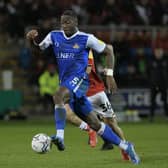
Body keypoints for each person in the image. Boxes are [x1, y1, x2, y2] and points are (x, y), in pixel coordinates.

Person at [26, 10, 140, 164]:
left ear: (76, 22)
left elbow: (109, 50)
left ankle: (60, 136)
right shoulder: (54, 36)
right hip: (68, 84)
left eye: (68, 22)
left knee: (58, 96)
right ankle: (126, 146)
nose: (64, 25)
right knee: (96, 124)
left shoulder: (86, 39)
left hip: (81, 81)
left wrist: (110, 74)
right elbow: (38, 52)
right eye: (62, 22)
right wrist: (30, 41)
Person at [66, 50, 129, 160]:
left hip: (95, 93)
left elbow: (89, 67)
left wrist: (108, 72)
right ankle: (90, 129)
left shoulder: (85, 46)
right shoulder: (66, 53)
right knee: (68, 115)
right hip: (83, 94)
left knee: (111, 123)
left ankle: (125, 147)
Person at [147, 48, 168, 122]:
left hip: (163, 84)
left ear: (162, 52)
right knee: (152, 101)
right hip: (154, 84)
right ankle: (151, 116)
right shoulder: (151, 60)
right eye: (157, 52)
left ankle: (166, 115)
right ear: (155, 53)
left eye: (160, 52)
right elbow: (148, 72)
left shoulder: (166, 60)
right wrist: (151, 81)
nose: (158, 53)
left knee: (165, 100)